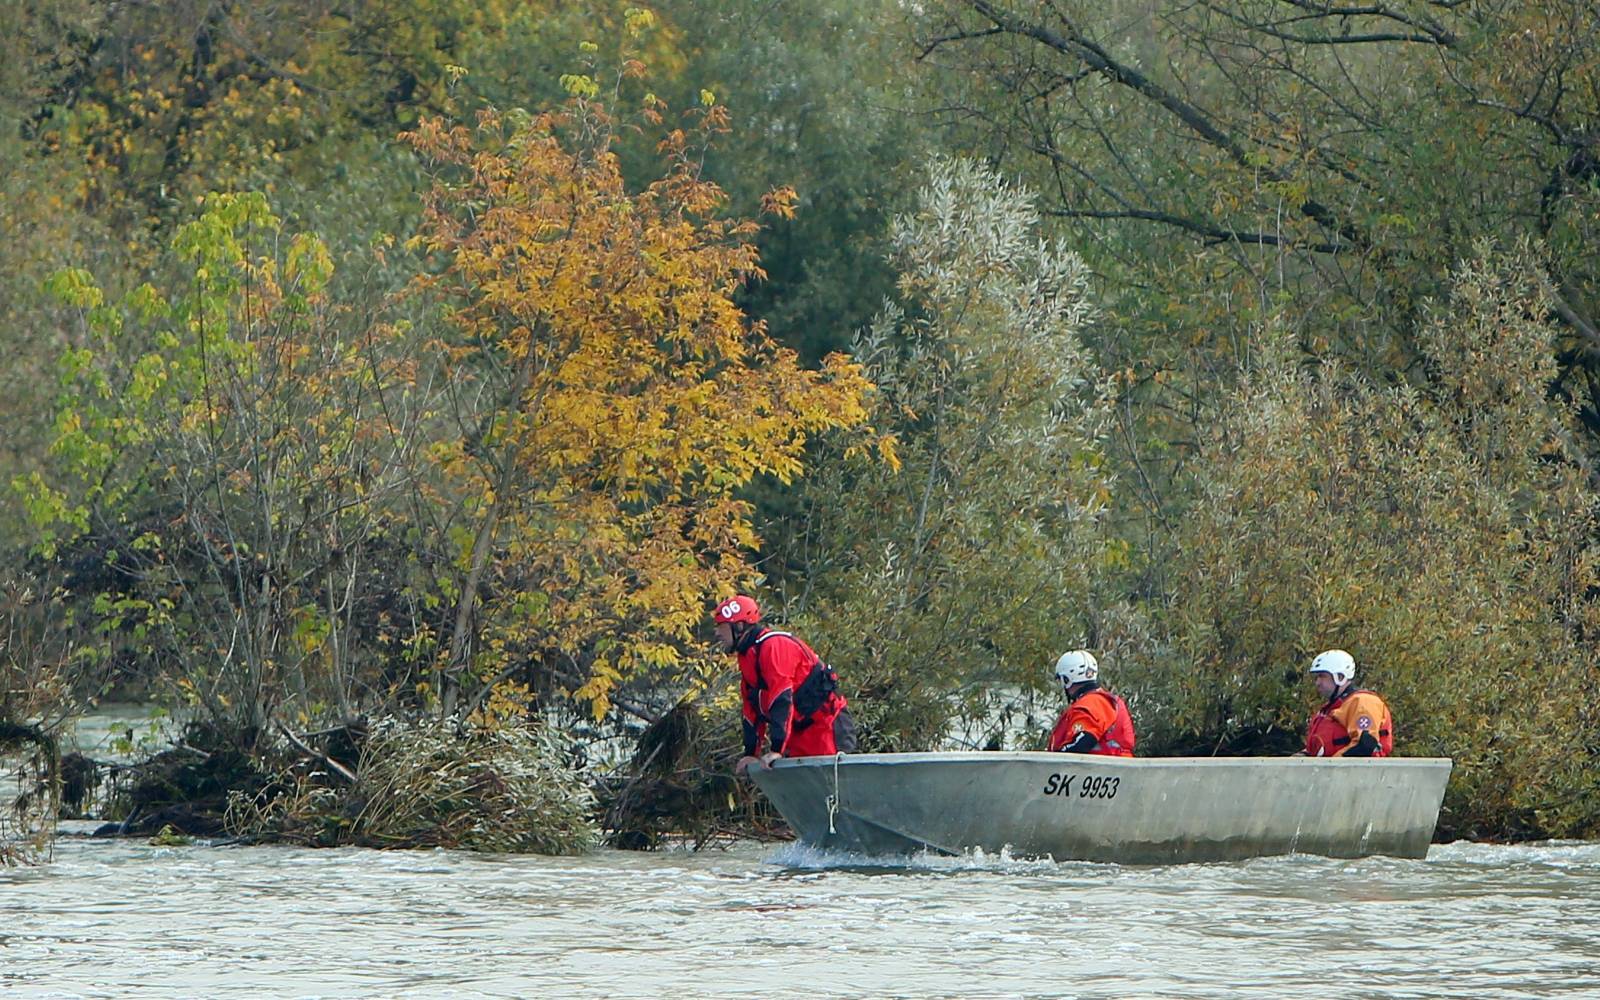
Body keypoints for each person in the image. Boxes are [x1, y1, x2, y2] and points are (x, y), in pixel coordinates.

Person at [712, 595, 857, 775]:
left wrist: (777, 749)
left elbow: (781, 699)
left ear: (739, 626)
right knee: (802, 796)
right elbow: (751, 710)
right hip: (799, 734)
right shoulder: (748, 656)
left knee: (834, 790)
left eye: (721, 626)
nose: (717, 633)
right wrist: (751, 754)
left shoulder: (774, 646)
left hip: (827, 727)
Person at [1302, 649, 1394, 757]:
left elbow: (1365, 745)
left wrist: (1329, 768)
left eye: (1322, 676)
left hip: (1357, 772)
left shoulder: (1362, 702)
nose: (1317, 682)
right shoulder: (1331, 709)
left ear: (1340, 677)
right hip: (1330, 771)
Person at [1047, 650, 1135, 756]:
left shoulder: (1091, 703)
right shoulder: (1103, 700)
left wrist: (1056, 757)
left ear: (1067, 680)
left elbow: (1082, 742)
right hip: (1113, 766)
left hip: (1097, 768)